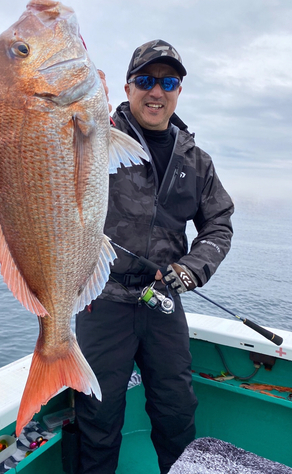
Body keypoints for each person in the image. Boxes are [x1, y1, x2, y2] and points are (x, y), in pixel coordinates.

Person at [75, 39, 234, 474]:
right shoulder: (92, 139)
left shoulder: (195, 161)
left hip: (163, 302)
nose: (156, 91)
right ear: (127, 87)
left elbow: (219, 224)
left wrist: (190, 268)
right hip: (101, 300)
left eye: (168, 82)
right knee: (97, 417)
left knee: (176, 412)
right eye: (145, 80)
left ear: (179, 90)